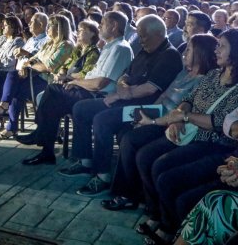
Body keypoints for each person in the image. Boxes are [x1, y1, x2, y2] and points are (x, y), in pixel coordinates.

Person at [132, 29, 238, 244]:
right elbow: (189, 99)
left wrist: (186, 117)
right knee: (145, 156)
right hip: (190, 132)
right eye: (216, 45)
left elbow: (222, 124)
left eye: (222, 46)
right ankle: (159, 217)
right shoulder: (212, 75)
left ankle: (170, 228)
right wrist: (180, 117)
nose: (216, 50)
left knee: (166, 174)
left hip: (215, 144)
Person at [61, 15, 183, 196]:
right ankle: (85, 160)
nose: (140, 40)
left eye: (143, 36)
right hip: (125, 100)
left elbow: (150, 88)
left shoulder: (169, 55)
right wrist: (122, 87)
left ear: (158, 34)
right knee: (81, 108)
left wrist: (122, 93)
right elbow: (124, 75)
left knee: (102, 120)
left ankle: (102, 175)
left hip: (146, 109)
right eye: (140, 35)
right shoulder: (145, 50)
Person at [100, 34, 218, 213]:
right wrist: (146, 116)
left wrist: (154, 122)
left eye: (189, 49)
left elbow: (188, 107)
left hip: (170, 122)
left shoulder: (205, 79)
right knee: (123, 129)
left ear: (201, 53)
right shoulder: (184, 72)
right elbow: (164, 96)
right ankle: (132, 190)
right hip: (158, 113)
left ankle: (128, 194)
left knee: (131, 140)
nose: (184, 53)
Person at [16, 12, 133, 164]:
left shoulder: (119, 48)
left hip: (98, 96)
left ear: (114, 26)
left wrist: (75, 82)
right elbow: (91, 75)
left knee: (53, 90)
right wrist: (70, 79)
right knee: (52, 104)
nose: (100, 26)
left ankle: (41, 137)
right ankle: (47, 151)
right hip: (88, 90)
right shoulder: (109, 47)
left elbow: (99, 83)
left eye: (103, 23)